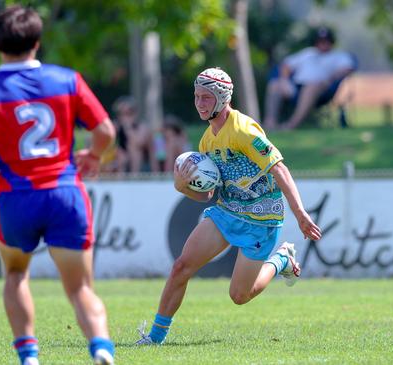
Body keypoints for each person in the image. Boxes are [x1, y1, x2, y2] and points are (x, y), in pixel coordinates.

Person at [0, 5, 115, 365]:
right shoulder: (67, 80)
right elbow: (105, 130)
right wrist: (94, 156)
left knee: (14, 273)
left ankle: (28, 355)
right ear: (37, 43)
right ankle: (101, 348)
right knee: (80, 288)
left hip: (16, 198)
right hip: (64, 193)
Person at [136, 67, 322, 345]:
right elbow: (208, 196)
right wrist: (182, 186)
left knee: (239, 296)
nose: (199, 103)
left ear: (222, 99)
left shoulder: (243, 130)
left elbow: (279, 169)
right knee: (181, 267)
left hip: (262, 219)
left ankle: (282, 259)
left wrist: (300, 214)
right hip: (227, 212)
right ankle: (155, 337)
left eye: (206, 97)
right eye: (197, 96)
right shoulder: (206, 140)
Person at [263, 26, 355, 130]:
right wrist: (284, 80)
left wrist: (331, 79)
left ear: (331, 42)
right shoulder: (308, 53)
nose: (323, 44)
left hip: (321, 91)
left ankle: (291, 125)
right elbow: (286, 65)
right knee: (275, 85)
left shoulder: (339, 56)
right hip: (296, 88)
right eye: (320, 41)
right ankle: (270, 123)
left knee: (311, 86)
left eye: (326, 41)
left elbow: (348, 68)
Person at [112, 96, 159, 173]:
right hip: (121, 159)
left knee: (134, 148)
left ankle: (134, 177)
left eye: (128, 113)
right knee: (120, 153)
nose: (125, 117)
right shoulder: (116, 125)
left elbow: (139, 143)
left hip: (142, 162)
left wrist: (127, 127)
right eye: (121, 113)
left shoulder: (142, 127)